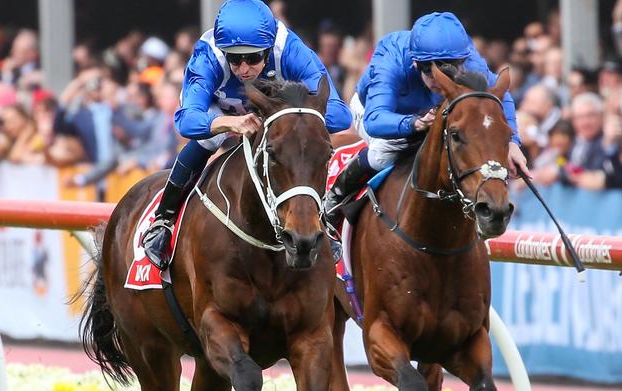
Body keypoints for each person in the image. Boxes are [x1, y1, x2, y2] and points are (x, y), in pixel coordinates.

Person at [142, 0, 351, 270]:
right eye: (235, 58)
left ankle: (319, 219)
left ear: (269, 47)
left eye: (253, 58)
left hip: (274, 108)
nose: (243, 69)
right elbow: (186, 120)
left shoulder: (290, 49)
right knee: (208, 139)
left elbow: (339, 114)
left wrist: (285, 118)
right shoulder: (208, 55)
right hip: (222, 107)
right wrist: (230, 122)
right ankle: (164, 219)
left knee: (299, 142)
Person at [323, 12, 529, 225]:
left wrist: (512, 143)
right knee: (382, 154)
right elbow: (375, 120)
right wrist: (415, 123)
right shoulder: (390, 59)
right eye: (428, 70)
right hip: (376, 110)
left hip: (433, 111)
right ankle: (335, 197)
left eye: (447, 70)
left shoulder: (469, 60)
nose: (438, 80)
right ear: (415, 63)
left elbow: (500, 98)